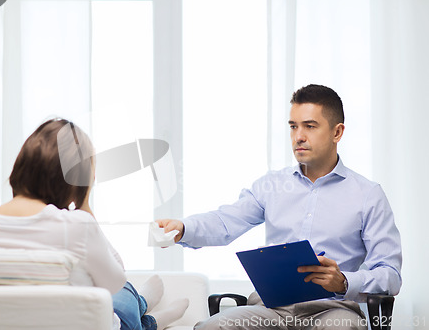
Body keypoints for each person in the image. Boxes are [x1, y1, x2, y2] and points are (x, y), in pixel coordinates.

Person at [157, 84, 402, 330]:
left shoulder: (368, 195)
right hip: (270, 309)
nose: (299, 137)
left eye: (310, 126)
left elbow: (390, 274)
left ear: (337, 132)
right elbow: (225, 221)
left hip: (333, 310)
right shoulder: (272, 185)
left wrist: (344, 281)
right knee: (212, 327)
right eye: (293, 126)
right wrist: (184, 228)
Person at [0, 118, 189, 330]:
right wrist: (84, 202)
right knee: (124, 295)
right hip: (86, 320)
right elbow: (116, 280)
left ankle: (143, 303)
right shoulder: (76, 226)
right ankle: (150, 317)